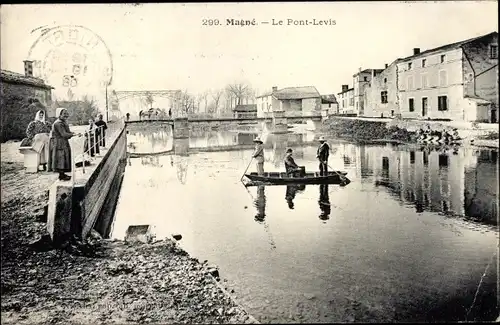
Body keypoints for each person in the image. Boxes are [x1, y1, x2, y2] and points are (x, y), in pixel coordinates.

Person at [48, 108, 78, 181]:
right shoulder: (58, 123)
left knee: (64, 157)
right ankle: (61, 176)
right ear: (59, 114)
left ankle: (62, 174)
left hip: (63, 142)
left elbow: (67, 132)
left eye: (66, 113)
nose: (66, 115)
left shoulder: (63, 122)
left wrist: (73, 133)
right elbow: (64, 134)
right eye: (64, 114)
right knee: (60, 158)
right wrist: (73, 135)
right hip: (59, 143)